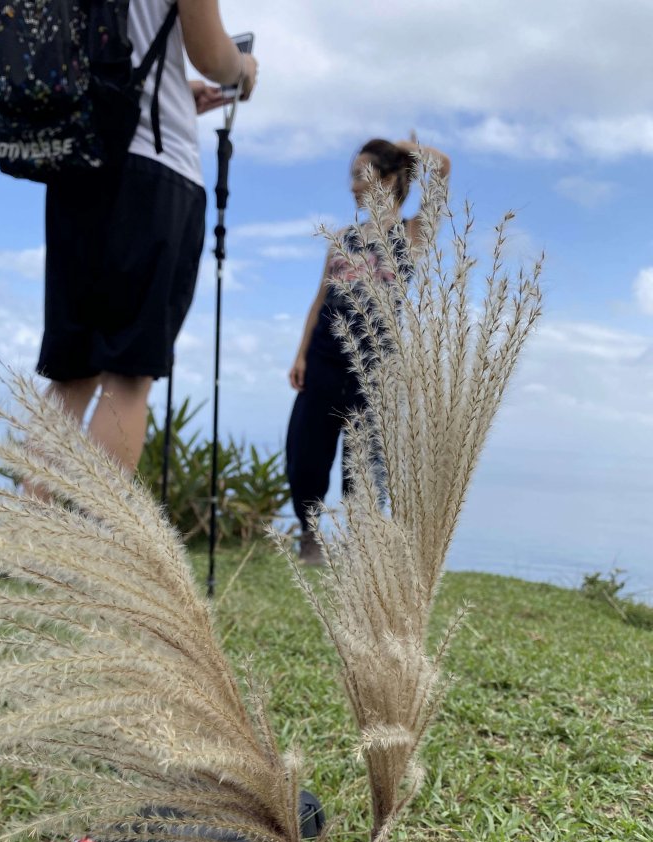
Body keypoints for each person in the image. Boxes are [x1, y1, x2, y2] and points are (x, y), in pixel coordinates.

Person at [34, 0, 258, 477]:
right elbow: (210, 51)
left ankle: (30, 548)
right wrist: (243, 67)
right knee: (128, 377)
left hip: (76, 162)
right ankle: (89, 551)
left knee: (70, 374)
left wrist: (174, 87)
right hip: (156, 168)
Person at [285, 137, 451, 564]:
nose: (354, 187)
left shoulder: (413, 234)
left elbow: (443, 169)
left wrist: (408, 148)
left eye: (361, 176)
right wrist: (301, 355)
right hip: (323, 357)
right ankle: (309, 536)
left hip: (376, 366)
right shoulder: (342, 238)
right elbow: (319, 301)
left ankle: (361, 546)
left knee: (366, 462)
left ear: (389, 178)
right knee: (305, 455)